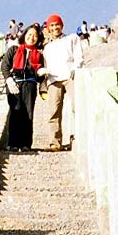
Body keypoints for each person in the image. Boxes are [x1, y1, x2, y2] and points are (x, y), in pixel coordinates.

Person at [42, 14, 84, 151]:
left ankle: (79, 136)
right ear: (48, 28)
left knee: (76, 106)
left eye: (57, 24)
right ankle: (55, 142)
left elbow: (79, 57)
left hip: (70, 76)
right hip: (53, 80)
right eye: (52, 25)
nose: (55, 28)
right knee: (54, 112)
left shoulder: (72, 38)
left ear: (62, 25)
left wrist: (75, 69)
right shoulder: (47, 47)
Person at [1, 23, 46, 150]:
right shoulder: (14, 50)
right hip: (15, 83)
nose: (31, 37)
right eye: (29, 34)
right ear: (24, 34)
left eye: (35, 36)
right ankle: (13, 143)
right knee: (15, 111)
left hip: (30, 85)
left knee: (28, 113)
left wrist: (41, 73)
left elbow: (39, 76)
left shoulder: (39, 54)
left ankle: (26, 144)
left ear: (38, 38)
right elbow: (5, 66)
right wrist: (9, 80)